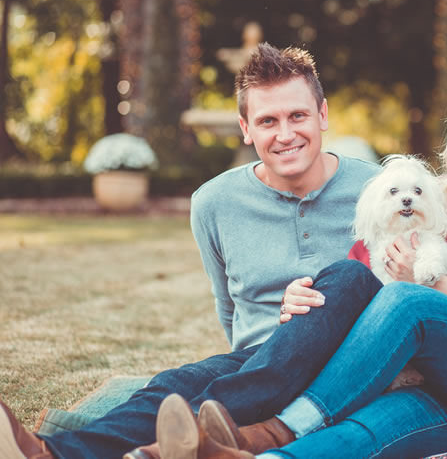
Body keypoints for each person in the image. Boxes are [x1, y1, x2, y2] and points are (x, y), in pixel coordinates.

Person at [149, 58, 447, 459]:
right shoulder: (443, 199)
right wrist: (311, 296)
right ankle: (251, 448)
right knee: (369, 425)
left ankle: (281, 426)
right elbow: (364, 270)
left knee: (411, 302)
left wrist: (437, 287)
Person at [0, 42, 401, 459]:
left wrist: (318, 319)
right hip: (252, 362)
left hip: (348, 364)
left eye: (297, 115)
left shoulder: (380, 189)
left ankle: (184, 438)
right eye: (267, 121)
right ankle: (52, 453)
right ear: (246, 129)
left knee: (349, 277)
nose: (285, 134)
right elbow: (227, 305)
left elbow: (405, 288)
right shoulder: (213, 202)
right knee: (175, 383)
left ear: (322, 115)